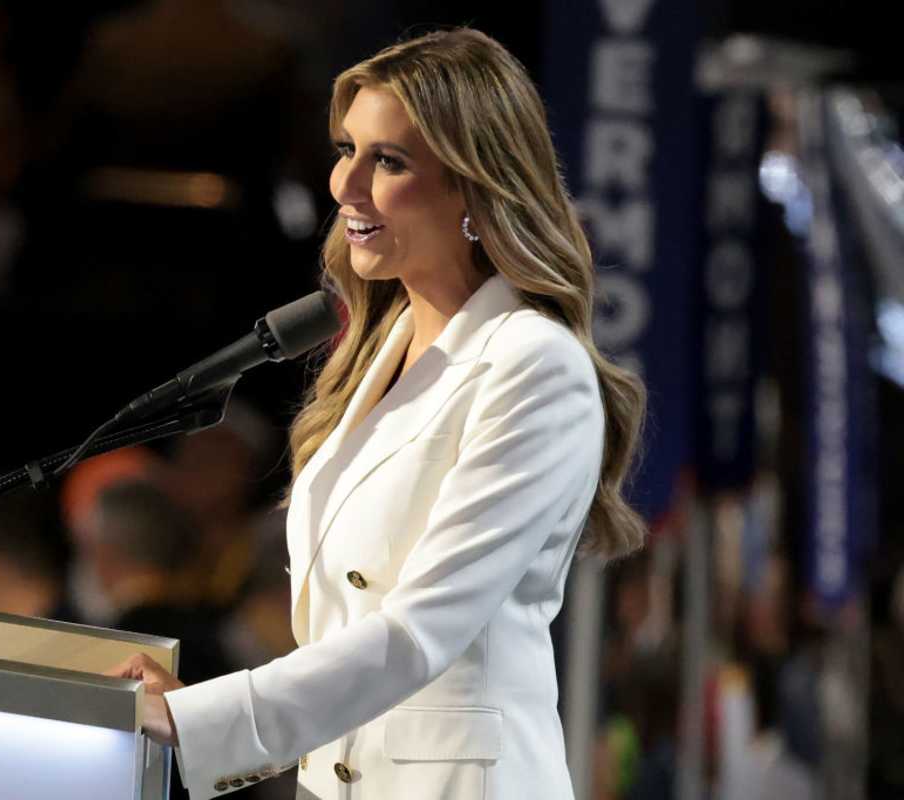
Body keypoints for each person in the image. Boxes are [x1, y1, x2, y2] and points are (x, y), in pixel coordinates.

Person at [107, 27, 646, 800]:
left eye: (387, 161)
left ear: (473, 187)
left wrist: (199, 717)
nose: (343, 185)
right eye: (344, 149)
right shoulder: (374, 351)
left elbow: (418, 630)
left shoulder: (534, 365)